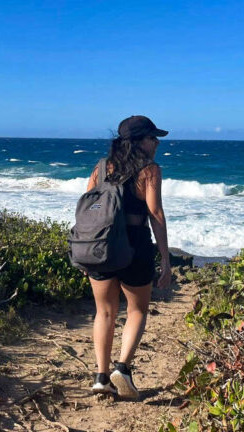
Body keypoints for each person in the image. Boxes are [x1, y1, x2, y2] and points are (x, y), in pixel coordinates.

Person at [84, 115, 172, 399]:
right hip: (134, 244)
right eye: (152, 137)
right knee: (137, 310)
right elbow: (155, 214)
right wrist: (165, 259)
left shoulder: (100, 168)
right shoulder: (150, 170)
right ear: (138, 141)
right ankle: (122, 368)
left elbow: (88, 207)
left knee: (105, 311)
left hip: (100, 245)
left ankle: (101, 376)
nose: (157, 142)